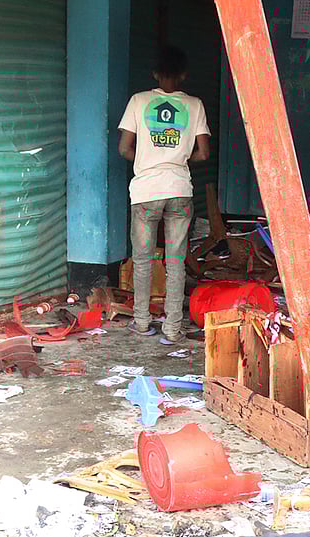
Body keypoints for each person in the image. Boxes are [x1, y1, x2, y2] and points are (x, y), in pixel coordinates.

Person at [117, 46, 210, 345]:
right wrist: (177, 159)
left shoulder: (139, 101)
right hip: (180, 190)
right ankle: (172, 329)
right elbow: (203, 153)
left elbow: (123, 149)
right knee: (175, 261)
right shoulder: (195, 105)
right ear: (183, 74)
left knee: (142, 260)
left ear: (155, 73)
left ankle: (141, 323)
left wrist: (147, 161)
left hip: (145, 192)